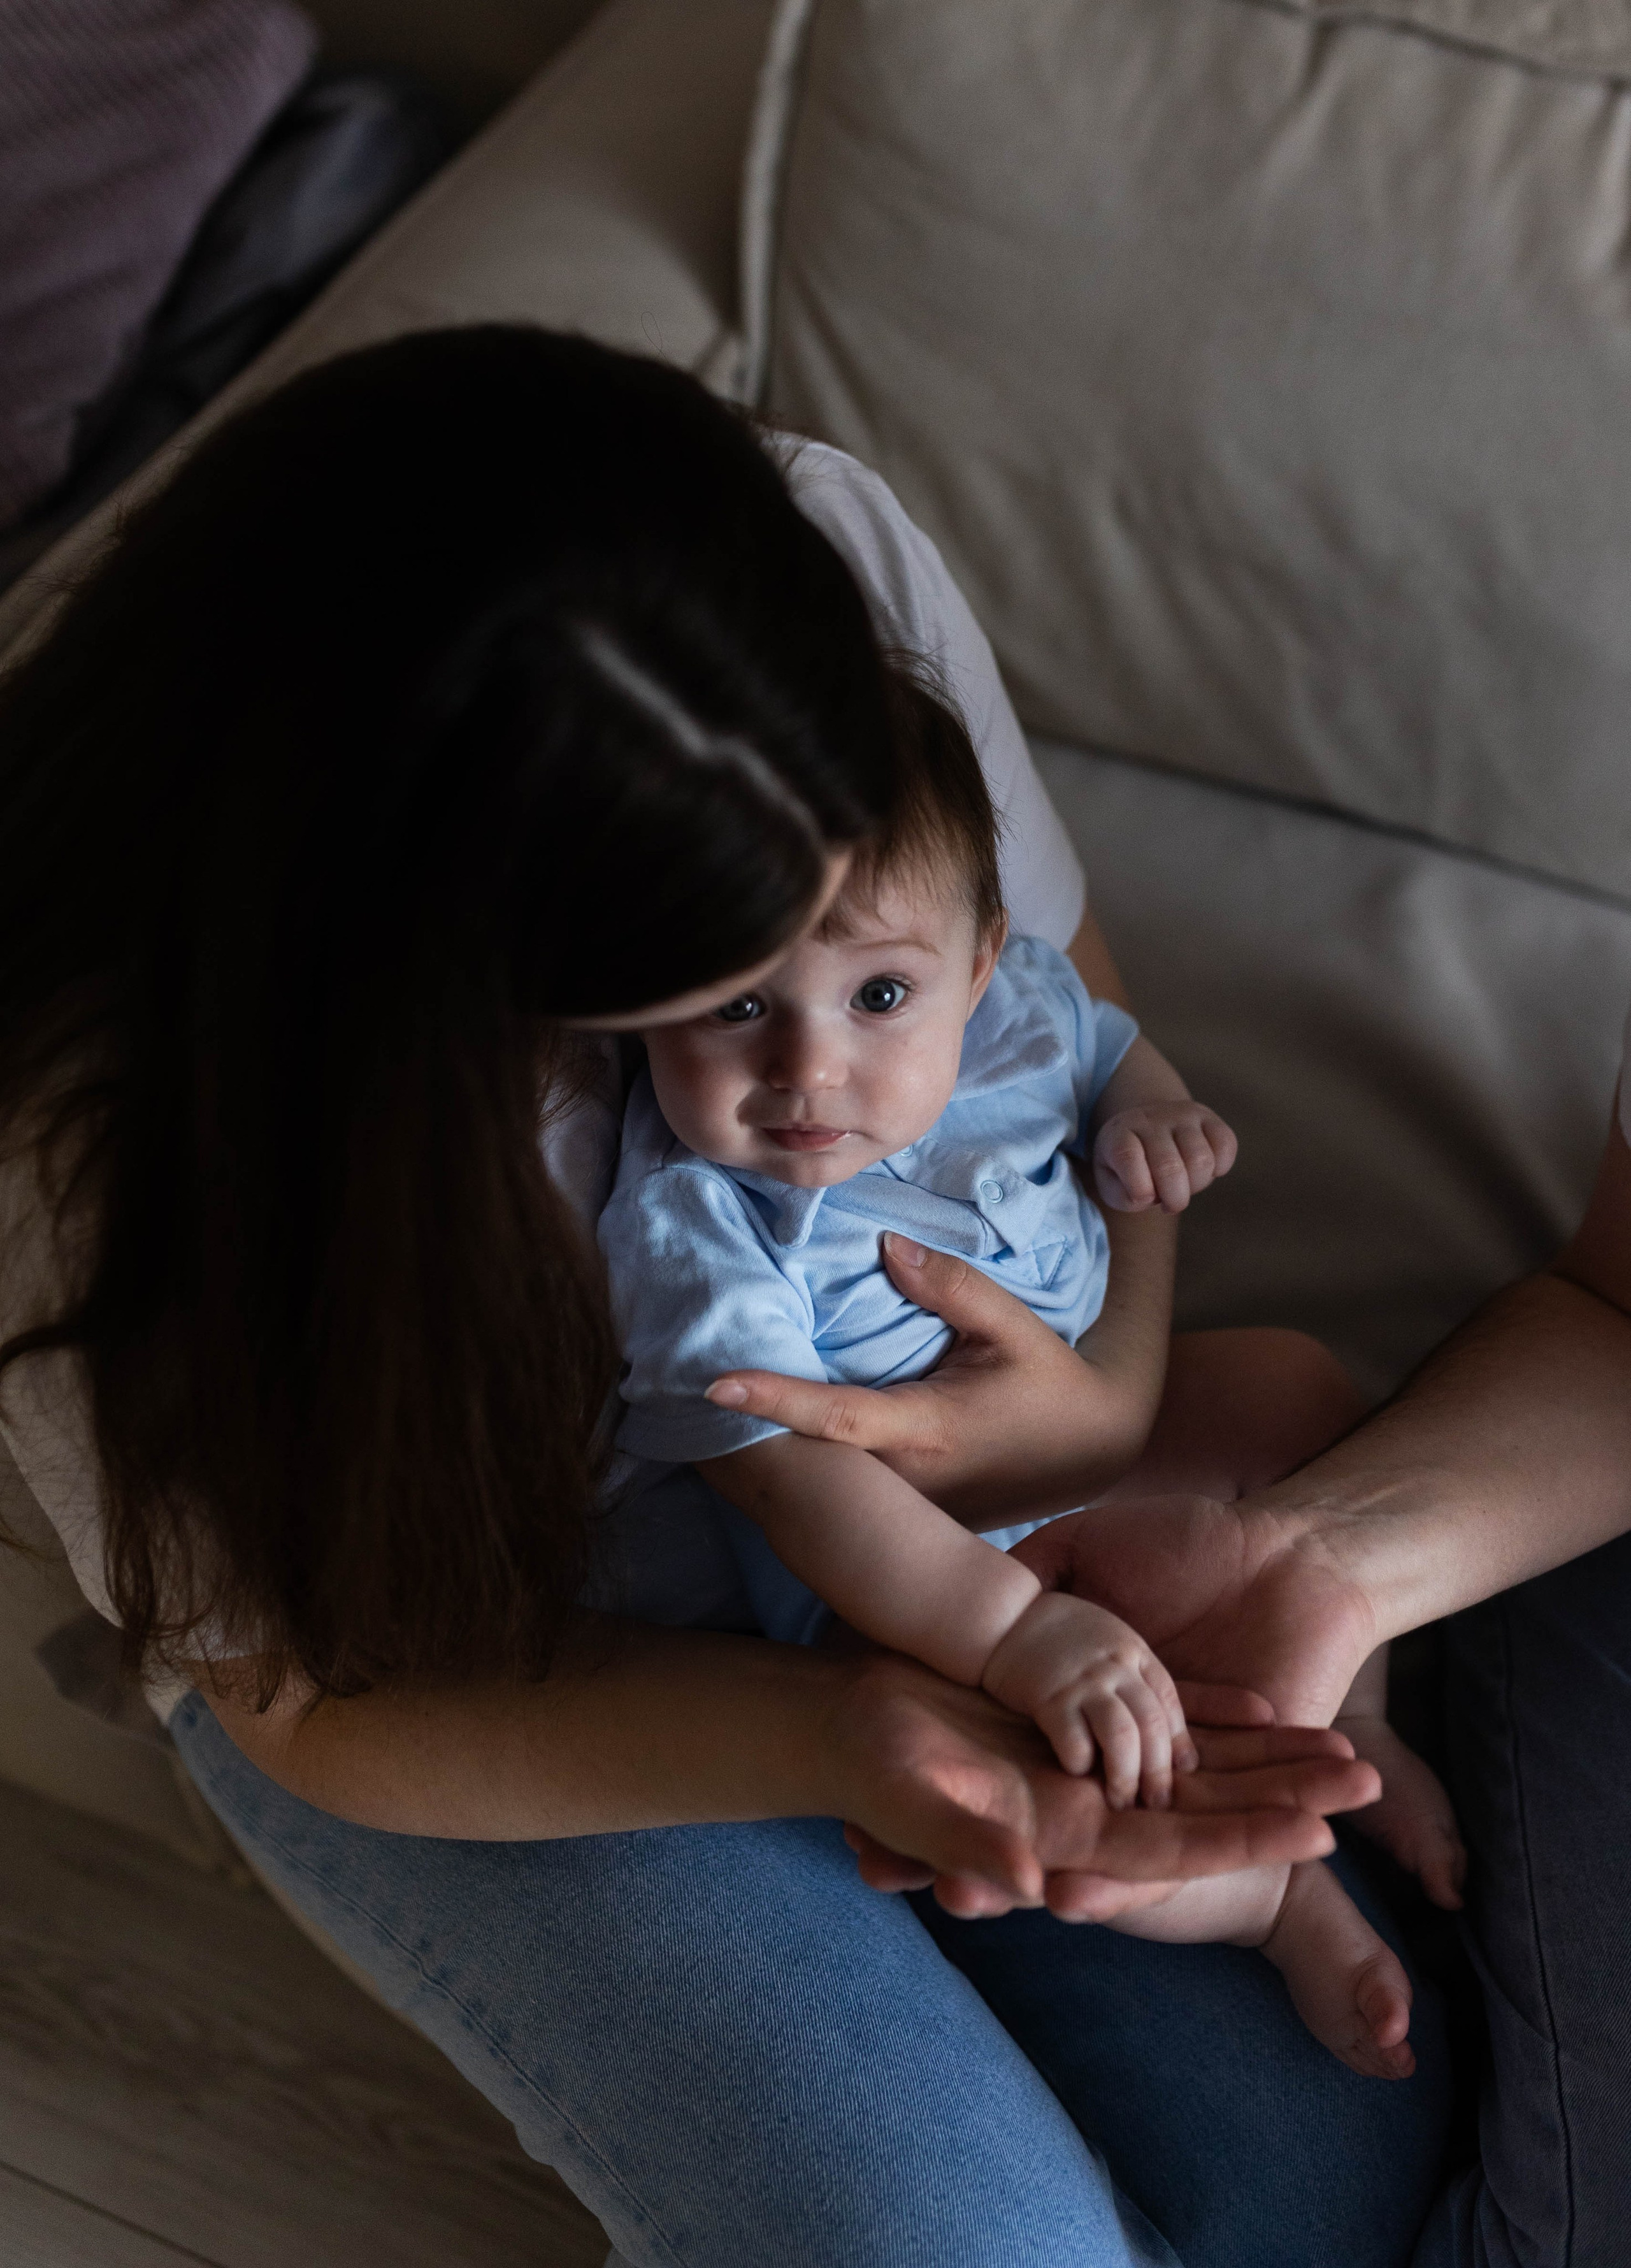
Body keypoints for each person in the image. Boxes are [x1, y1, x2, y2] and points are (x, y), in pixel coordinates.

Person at [0, 324, 1448, 2268]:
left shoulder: (807, 566)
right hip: (446, 1633)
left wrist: (1095, 1402)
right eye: (715, 1005)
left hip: (935, 1504)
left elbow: (1047, 1022)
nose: (810, 1077)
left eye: (853, 974)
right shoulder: (97, 1107)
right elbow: (316, 1693)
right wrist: (850, 1726)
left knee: (1329, 2190)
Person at [600, 670, 1462, 2082]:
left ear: (980, 961)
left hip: (1094, 1433)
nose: (809, 1068)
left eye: (881, 993)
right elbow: (799, 1492)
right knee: (1033, 1766)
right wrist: (1015, 1636)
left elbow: (1111, 1048)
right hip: (906, 1576)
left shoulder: (1017, 1018)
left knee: (1297, 1390)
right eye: (737, 1004)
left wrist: (1149, 1118)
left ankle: (1355, 1713)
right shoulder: (693, 1219)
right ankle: (1273, 1903)